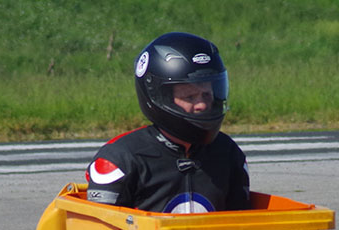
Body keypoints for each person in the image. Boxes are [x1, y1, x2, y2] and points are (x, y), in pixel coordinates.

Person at [86, 32, 249, 213]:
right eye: (190, 97)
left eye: (207, 94)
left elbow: (242, 226)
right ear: (160, 98)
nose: (202, 105)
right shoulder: (120, 159)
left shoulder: (228, 153)